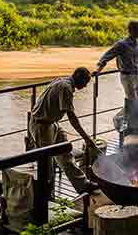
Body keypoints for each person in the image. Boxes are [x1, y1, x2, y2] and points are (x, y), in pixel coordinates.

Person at [28, 67, 100, 195]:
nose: (85, 86)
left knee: (66, 154)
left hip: (52, 123)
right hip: (41, 125)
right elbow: (72, 117)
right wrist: (87, 139)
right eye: (85, 82)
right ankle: (46, 196)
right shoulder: (66, 88)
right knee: (47, 165)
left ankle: (83, 185)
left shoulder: (63, 81)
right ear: (79, 78)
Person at [95, 20, 138, 101]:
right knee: (132, 100)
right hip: (127, 76)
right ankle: (128, 109)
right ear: (131, 31)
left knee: (137, 99)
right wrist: (98, 70)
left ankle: (129, 109)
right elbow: (107, 56)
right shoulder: (122, 44)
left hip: (136, 75)